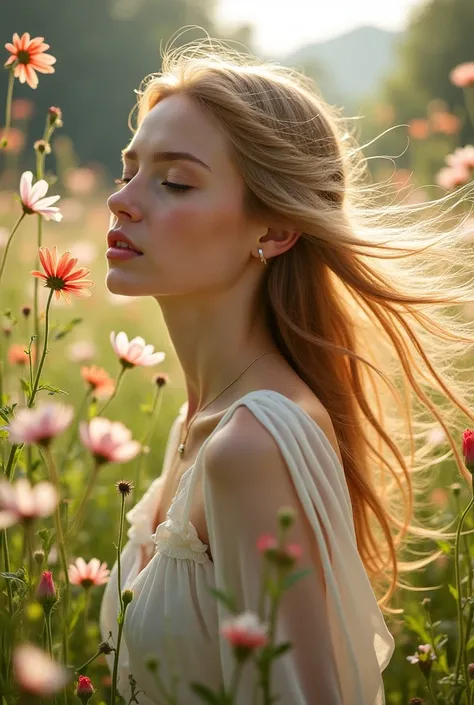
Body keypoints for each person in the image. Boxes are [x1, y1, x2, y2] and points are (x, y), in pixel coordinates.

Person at [99, 37, 474, 705]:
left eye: (174, 181)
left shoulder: (250, 446)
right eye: (129, 169)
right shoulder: (197, 419)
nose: (120, 200)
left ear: (272, 232)